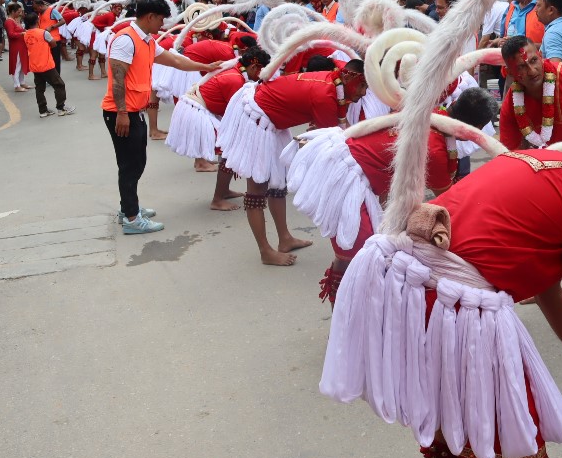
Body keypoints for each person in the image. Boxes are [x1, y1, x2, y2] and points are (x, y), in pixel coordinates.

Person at [321, 128, 562, 458]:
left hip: (395, 285)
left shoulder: (530, 158)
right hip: (449, 301)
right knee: (519, 446)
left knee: (444, 422)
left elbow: (548, 293)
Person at [285, 87, 499, 305]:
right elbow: (450, 203)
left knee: (362, 256)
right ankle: (345, 326)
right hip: (344, 176)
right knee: (360, 259)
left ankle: (352, 321)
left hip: (344, 165)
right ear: (475, 129)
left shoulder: (426, 116)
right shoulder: (434, 149)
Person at [217, 59, 368, 265]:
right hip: (256, 118)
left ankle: (285, 239)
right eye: (363, 85)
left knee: (278, 183)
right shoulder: (325, 95)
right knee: (257, 189)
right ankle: (265, 251)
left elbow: (342, 131)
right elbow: (334, 144)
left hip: (273, 121)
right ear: (349, 77)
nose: (364, 93)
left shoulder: (335, 84)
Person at [102, 0, 223, 235]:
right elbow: (117, 80)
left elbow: (175, 60)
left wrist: (206, 67)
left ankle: (128, 207)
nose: (162, 24)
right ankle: (131, 218)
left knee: (135, 162)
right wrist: (123, 113)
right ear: (149, 17)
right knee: (131, 165)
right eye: (160, 19)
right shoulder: (126, 41)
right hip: (121, 112)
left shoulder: (146, 40)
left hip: (134, 110)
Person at [166, 46, 272, 211]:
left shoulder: (236, 71)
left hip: (198, 108)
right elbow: (236, 114)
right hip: (196, 111)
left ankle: (224, 191)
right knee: (229, 151)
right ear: (253, 67)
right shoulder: (235, 79)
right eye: (262, 72)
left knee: (228, 150)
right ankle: (217, 199)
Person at [23, 12, 75, 118]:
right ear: (37, 21)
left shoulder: (26, 34)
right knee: (59, 85)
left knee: (39, 88)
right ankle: (61, 108)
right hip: (46, 64)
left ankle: (43, 111)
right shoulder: (43, 33)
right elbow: (53, 43)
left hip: (34, 65)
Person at [34, 0, 66, 73]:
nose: (35, 10)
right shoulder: (40, 13)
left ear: (40, 6)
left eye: (36, 8)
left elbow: (62, 21)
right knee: (47, 59)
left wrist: (52, 27)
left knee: (55, 60)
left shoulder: (52, 11)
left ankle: (57, 78)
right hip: (44, 40)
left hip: (54, 39)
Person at [4, 3, 31, 92]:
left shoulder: (14, 20)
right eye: (18, 12)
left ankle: (21, 82)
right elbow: (11, 34)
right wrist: (22, 33)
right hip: (16, 47)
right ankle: (17, 85)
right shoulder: (9, 22)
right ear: (12, 12)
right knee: (17, 66)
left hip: (21, 45)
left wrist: (24, 31)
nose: (20, 13)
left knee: (22, 64)